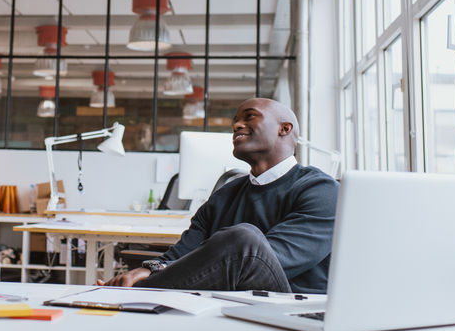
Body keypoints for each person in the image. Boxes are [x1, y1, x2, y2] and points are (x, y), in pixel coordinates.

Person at [101, 98, 338, 293]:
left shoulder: (321, 190)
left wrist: (149, 283)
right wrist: (149, 269)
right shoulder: (226, 194)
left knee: (244, 239)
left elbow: (264, 261)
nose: (236, 126)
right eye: (235, 121)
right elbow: (184, 252)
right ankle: (128, 296)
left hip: (287, 306)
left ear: (284, 129)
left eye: (250, 117)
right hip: (222, 304)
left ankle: (134, 296)